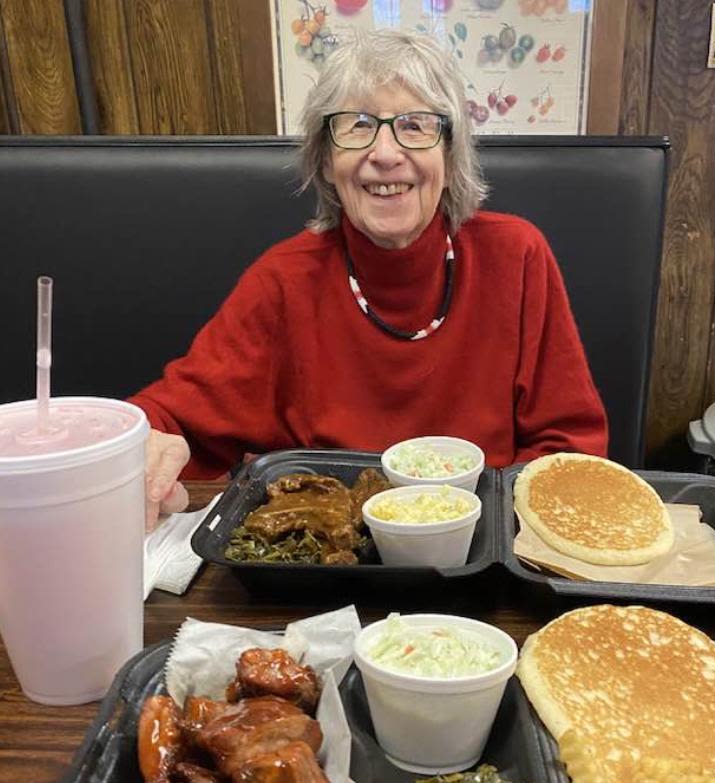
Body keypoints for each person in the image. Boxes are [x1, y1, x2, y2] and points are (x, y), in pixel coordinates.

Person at [130, 29, 608, 529]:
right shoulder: (283, 279)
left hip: (479, 552)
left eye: (415, 125)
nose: (385, 152)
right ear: (326, 160)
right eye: (357, 125)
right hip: (316, 564)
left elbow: (568, 446)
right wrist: (148, 445)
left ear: (449, 154)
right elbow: (168, 418)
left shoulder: (516, 256)